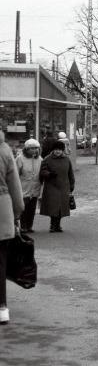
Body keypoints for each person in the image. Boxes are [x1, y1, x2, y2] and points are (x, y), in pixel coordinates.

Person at [0, 131, 24, 326]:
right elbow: (15, 187)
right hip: (1, 213)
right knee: (0, 262)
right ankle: (2, 308)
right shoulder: (4, 150)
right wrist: (17, 215)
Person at [39, 140, 74, 233]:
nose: (58, 151)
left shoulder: (67, 159)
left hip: (64, 186)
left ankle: (58, 225)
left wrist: (72, 185)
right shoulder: (47, 159)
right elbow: (42, 171)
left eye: (60, 150)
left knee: (61, 208)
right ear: (53, 150)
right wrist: (49, 174)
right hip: (51, 186)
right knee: (53, 207)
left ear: (62, 150)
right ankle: (53, 225)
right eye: (56, 149)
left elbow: (70, 173)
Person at [16, 139, 42, 234]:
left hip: (35, 188)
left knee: (32, 209)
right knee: (24, 208)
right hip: (23, 188)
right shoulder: (20, 158)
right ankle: (23, 226)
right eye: (32, 148)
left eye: (36, 148)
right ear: (26, 149)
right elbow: (15, 173)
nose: (35, 150)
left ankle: (29, 226)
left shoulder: (40, 159)